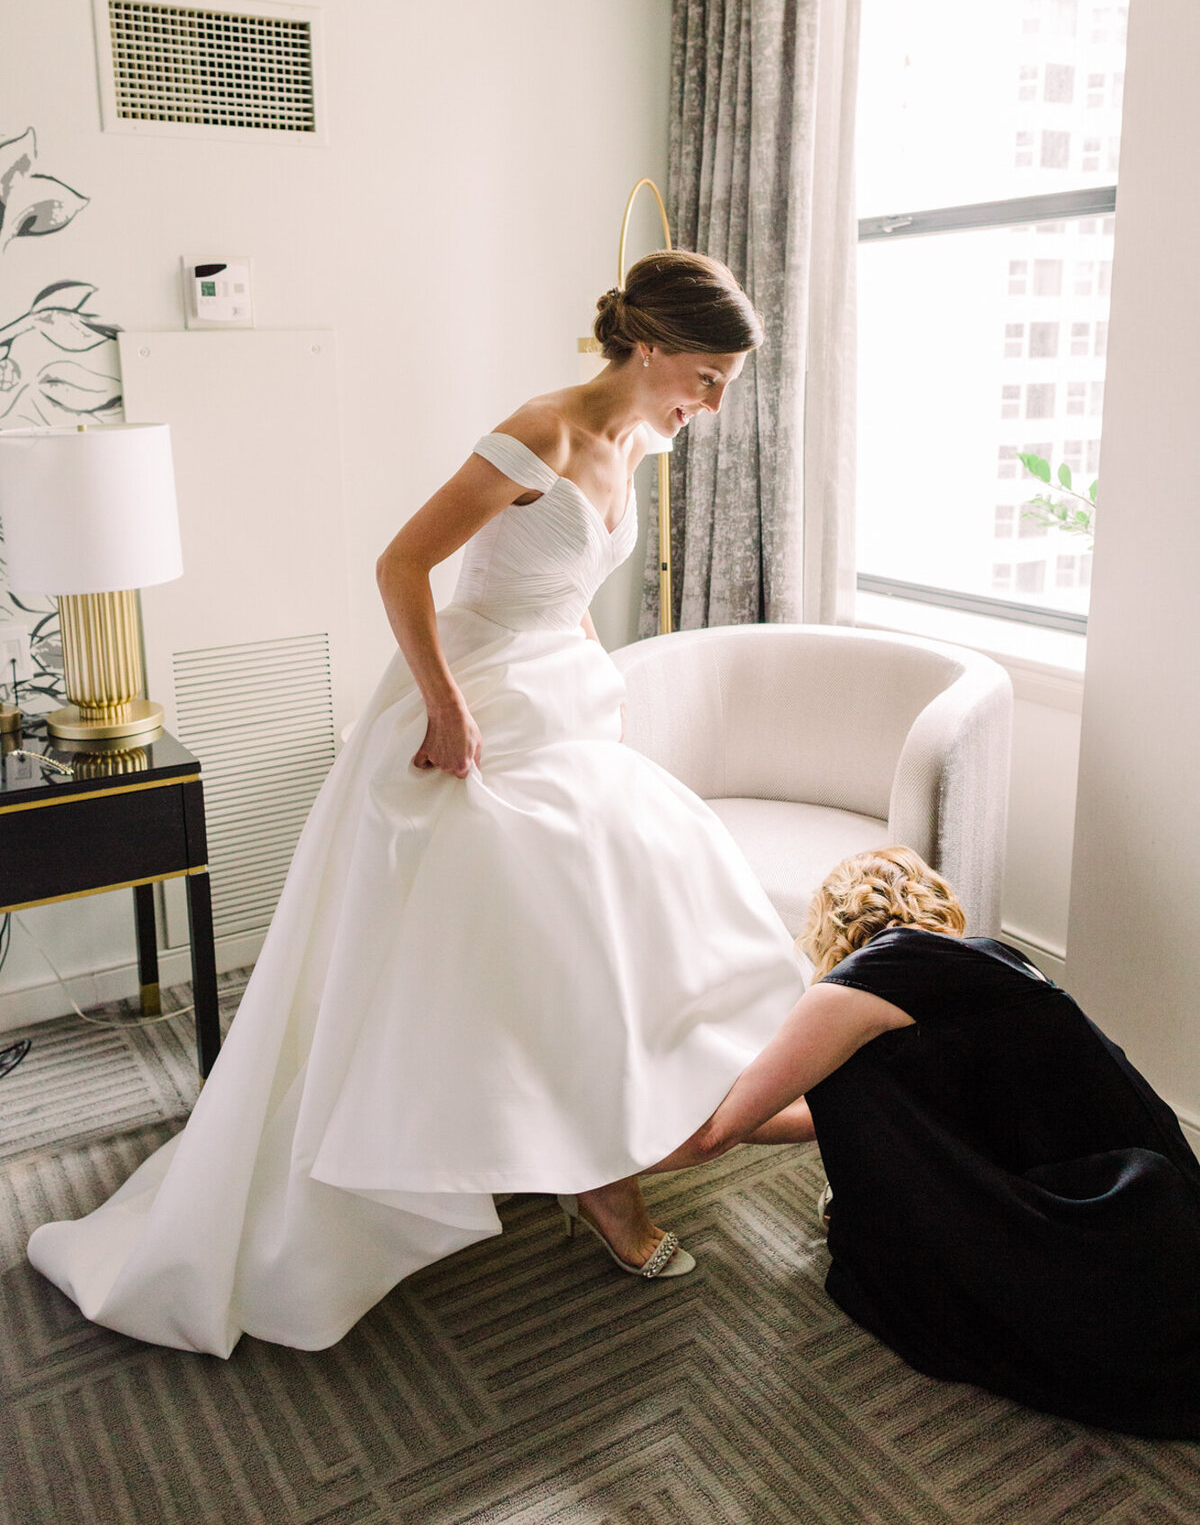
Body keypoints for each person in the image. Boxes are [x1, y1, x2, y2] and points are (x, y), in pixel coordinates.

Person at [27, 251, 808, 1356]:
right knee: (515, 926)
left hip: (562, 699)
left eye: (728, 381)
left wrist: (593, 672)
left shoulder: (646, 438)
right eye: (707, 373)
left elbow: (565, 585)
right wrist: (445, 707)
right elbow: (401, 565)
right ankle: (580, 1176)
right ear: (644, 347)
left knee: (622, 908)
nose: (715, 401)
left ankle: (598, 1141)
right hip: (473, 705)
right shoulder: (537, 432)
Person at [655, 846, 1200, 1438]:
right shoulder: (998, 964)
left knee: (850, 1092)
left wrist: (601, 1163)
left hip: (1085, 1242)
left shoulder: (859, 984)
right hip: (1154, 1229)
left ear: (829, 923)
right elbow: (822, 1118)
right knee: (850, 1076)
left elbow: (716, 1135)